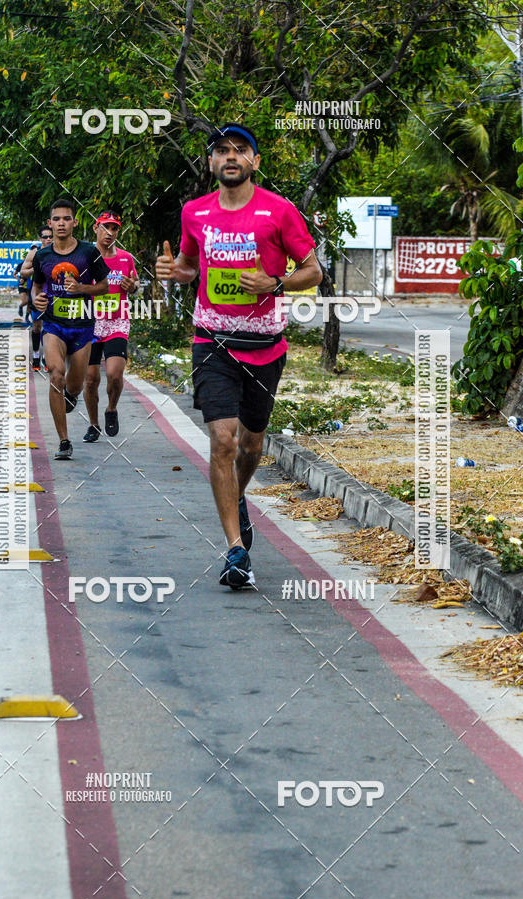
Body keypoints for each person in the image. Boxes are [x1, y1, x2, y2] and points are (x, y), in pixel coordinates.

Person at [156, 123, 321, 589]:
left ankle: (236, 498)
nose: (230, 157)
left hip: (265, 347)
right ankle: (235, 550)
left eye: (240, 150)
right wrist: (176, 272)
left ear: (255, 162)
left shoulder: (279, 211)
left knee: (250, 446)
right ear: (210, 163)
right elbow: (190, 266)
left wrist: (275, 283)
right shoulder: (195, 212)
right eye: (221, 150)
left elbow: (313, 271)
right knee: (223, 441)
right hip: (212, 342)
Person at [31, 199, 109, 459]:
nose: (61, 223)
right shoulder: (43, 255)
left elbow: (104, 286)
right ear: (50, 223)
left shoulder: (89, 252)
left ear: (75, 222)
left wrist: (82, 289)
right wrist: (36, 299)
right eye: (57, 219)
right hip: (54, 324)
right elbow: (37, 286)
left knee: (74, 386)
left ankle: (71, 396)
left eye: (66, 218)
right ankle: (64, 441)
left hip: (83, 325)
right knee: (55, 375)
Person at [83, 211, 139, 442]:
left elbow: (135, 284)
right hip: (89, 322)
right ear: (96, 228)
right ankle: (94, 424)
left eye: (114, 228)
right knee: (91, 379)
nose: (109, 233)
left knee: (115, 374)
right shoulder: (85, 256)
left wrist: (132, 286)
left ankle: (111, 409)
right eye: (105, 227)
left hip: (117, 321)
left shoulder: (126, 258)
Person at [21, 228, 53, 370]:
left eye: (50, 236)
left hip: (54, 293)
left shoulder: (59, 251)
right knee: (37, 326)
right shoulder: (34, 253)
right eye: (45, 237)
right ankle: (35, 356)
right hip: (37, 292)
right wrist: (37, 269)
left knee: (50, 327)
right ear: (40, 238)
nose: (48, 239)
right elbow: (23, 272)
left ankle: (47, 357)